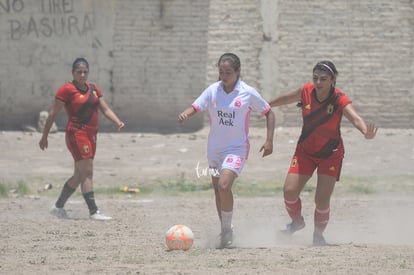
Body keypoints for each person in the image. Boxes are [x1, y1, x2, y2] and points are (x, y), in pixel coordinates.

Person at [268, 60, 378, 245]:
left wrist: (365, 131)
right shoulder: (306, 91)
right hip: (305, 152)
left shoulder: (339, 98)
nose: (318, 83)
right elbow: (286, 99)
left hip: (330, 154)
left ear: (333, 80)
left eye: (323, 79)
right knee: (289, 191)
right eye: (316, 78)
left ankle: (318, 235)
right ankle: (296, 223)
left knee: (321, 200)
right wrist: (265, 105)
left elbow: (355, 118)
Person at [178, 53, 275, 248]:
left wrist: (269, 140)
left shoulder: (248, 92)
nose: (224, 76)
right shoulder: (213, 90)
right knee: (218, 191)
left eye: (228, 72)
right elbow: (196, 106)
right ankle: (226, 231)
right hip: (214, 149)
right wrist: (186, 114)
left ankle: (227, 231)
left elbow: (269, 112)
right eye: (221, 72)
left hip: (236, 148)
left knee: (224, 186)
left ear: (238, 71)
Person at [39, 57, 125, 221]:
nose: (82, 75)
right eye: (79, 72)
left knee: (79, 176)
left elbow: (105, 109)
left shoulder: (94, 89)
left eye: (85, 72)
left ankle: (57, 207)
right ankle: (94, 212)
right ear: (73, 73)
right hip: (76, 134)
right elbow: (52, 114)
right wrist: (45, 136)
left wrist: (117, 121)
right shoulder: (66, 90)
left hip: (92, 134)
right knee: (87, 173)